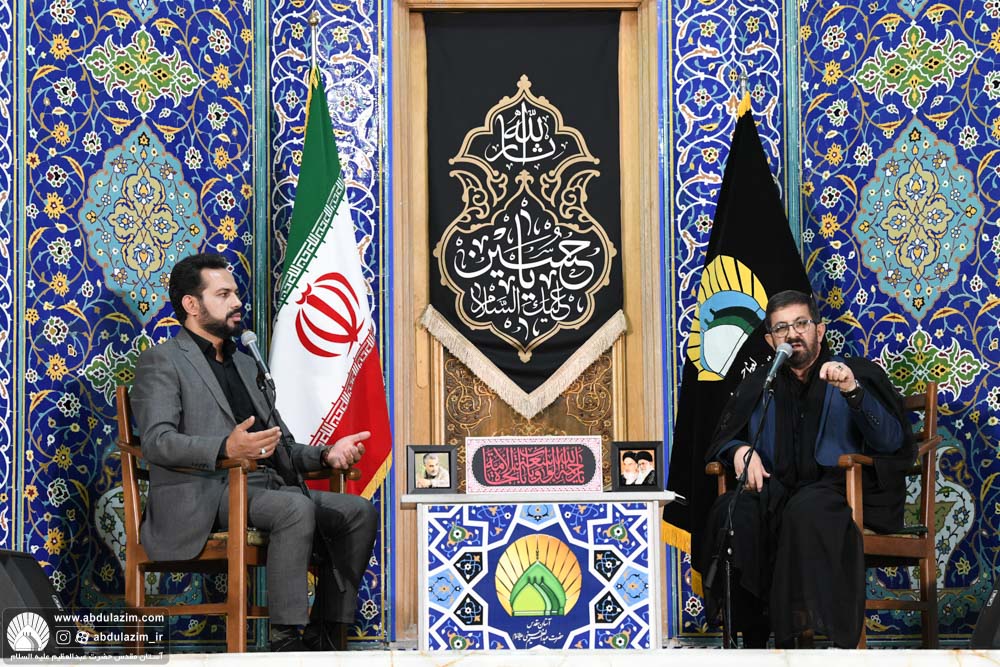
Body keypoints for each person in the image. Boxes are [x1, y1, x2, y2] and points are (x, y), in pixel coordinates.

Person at [131, 253, 378, 652]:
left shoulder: (247, 366)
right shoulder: (162, 361)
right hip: (205, 494)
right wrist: (224, 447)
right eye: (223, 294)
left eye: (235, 293)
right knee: (294, 508)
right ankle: (286, 641)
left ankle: (325, 635)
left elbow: (281, 446)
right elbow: (157, 442)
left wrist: (326, 455)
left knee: (357, 511)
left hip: (264, 488)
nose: (236, 302)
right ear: (192, 305)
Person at [699, 290, 912, 648]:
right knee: (732, 511)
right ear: (770, 340)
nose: (792, 334)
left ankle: (805, 641)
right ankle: (750, 640)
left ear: (820, 330)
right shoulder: (760, 384)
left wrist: (853, 391)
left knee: (804, 510)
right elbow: (724, 438)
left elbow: (891, 441)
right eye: (781, 328)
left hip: (837, 493)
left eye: (801, 323)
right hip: (774, 492)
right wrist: (739, 451)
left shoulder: (856, 374)